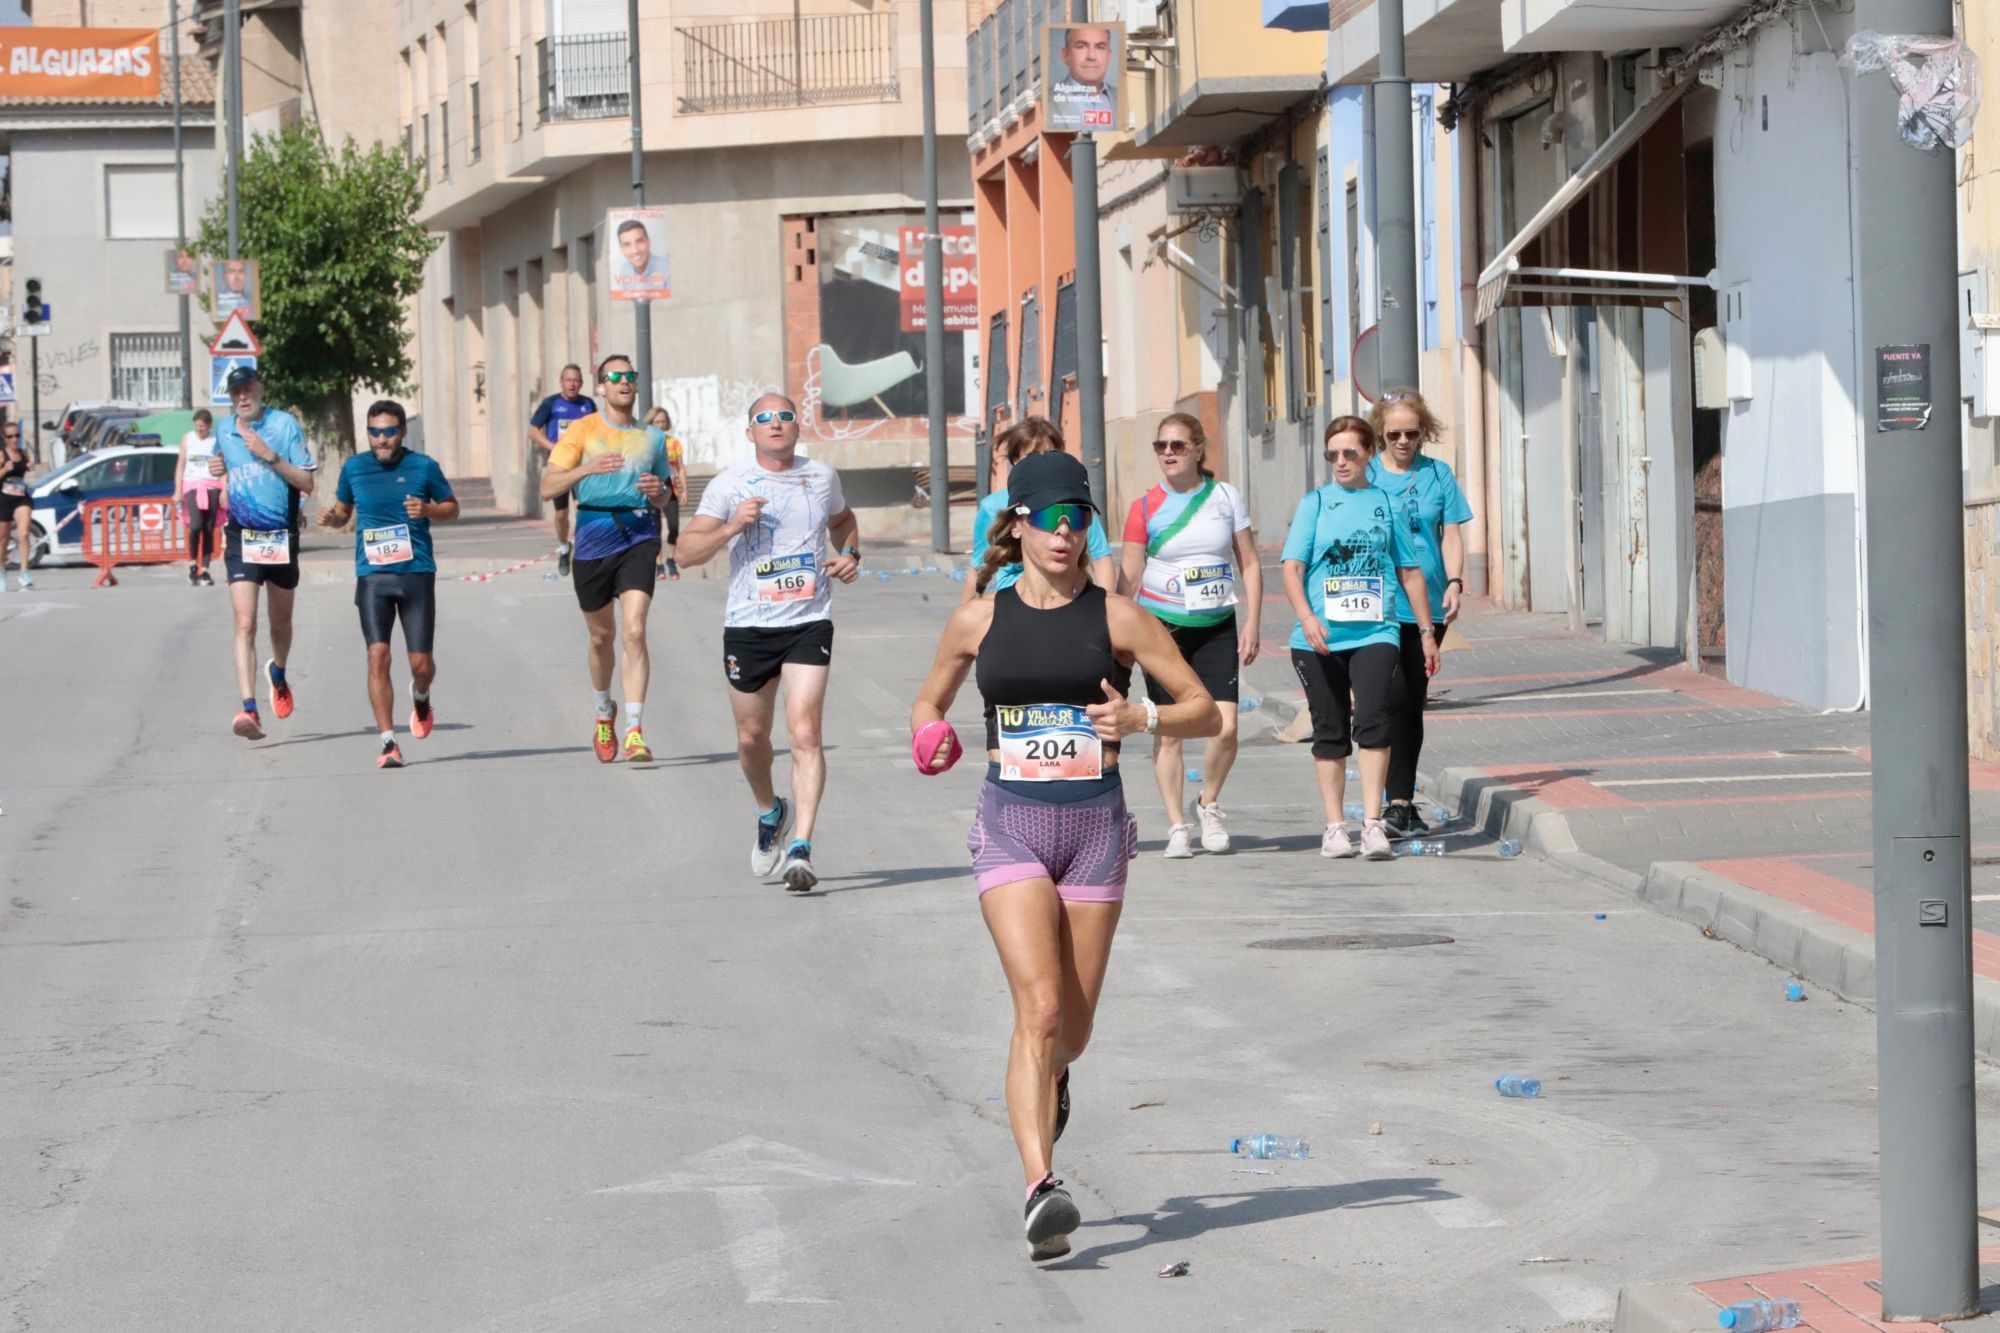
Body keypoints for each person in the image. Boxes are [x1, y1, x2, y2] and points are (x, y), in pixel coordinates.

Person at [909, 450, 1219, 1261]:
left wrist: (1144, 721)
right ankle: (1040, 1185)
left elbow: (1206, 709)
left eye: (1078, 518)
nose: (1065, 532)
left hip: (1094, 832)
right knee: (1039, 1009)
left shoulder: (1118, 616)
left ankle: (1054, 1075)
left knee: (1069, 1031)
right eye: (1049, 517)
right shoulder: (980, 617)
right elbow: (929, 695)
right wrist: (928, 733)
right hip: (1010, 822)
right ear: (1018, 524)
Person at [679, 392, 861, 893]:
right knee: (751, 738)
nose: (775, 424)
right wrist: (732, 526)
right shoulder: (729, 484)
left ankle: (801, 847)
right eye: (764, 418)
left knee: (804, 731)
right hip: (749, 626)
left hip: (809, 620)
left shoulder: (822, 477)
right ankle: (770, 811)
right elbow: (685, 552)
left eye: (784, 416)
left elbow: (843, 522)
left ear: (797, 427)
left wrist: (851, 554)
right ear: (750, 432)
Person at [1281, 416, 1437, 861]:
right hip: (1320, 635)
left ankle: (1372, 824)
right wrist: (1307, 617)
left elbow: (1409, 571)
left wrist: (1426, 632)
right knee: (1329, 730)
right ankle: (1335, 827)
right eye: (1333, 454)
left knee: (1373, 718)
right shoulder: (1315, 503)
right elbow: (1291, 568)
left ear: (1369, 452)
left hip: (1377, 631)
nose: (1341, 461)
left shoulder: (1385, 503)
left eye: (1350, 452)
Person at [1117, 412, 1261, 857]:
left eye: (1178, 445)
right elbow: (1129, 574)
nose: (1168, 454)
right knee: (1170, 730)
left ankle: (1208, 802)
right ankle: (1178, 825)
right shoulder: (1144, 507)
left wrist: (1253, 621)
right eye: (1161, 446)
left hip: (1217, 624)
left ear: (1199, 448)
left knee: (1225, 725)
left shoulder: (1224, 496)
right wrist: (1119, 632)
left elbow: (1250, 562)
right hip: (1163, 629)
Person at [540, 355, 672, 764]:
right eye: (615, 376)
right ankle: (604, 712)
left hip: (638, 534)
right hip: (594, 536)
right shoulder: (582, 431)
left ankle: (634, 730)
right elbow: (547, 487)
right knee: (602, 638)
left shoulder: (652, 437)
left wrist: (658, 492)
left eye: (631, 376)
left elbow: (667, 493)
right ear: (601, 387)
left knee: (634, 631)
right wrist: (587, 469)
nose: (625, 382)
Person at [317, 400, 458, 769]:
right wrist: (333, 519)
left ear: (402, 432)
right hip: (373, 576)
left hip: (415, 573)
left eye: (389, 431)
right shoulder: (354, 468)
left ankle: (422, 695)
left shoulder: (423, 466)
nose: (381, 439)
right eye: (374, 432)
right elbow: (344, 512)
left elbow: (452, 506)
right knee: (377, 655)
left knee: (420, 664)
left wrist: (428, 510)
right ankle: (388, 742)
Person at [1368, 388, 1474, 837]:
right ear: (1380, 433)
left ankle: (1403, 802)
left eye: (1412, 433)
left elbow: (1450, 534)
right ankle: (1392, 802)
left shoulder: (1438, 475)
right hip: (1377, 604)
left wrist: (1455, 582)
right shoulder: (1366, 475)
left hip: (1427, 605)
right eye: (1394, 433)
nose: (1404, 441)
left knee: (1411, 703)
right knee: (1390, 700)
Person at [209, 365, 316, 740]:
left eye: (248, 389)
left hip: (280, 536)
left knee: (280, 623)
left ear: (260, 390)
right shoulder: (223, 429)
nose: (242, 397)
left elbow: (307, 482)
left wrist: (268, 454)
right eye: (235, 392)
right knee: (245, 623)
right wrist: (216, 466)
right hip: (241, 537)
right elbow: (220, 464)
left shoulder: (285, 425)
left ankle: (279, 672)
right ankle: (249, 707)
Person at [960, 418, 1115, 606]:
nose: (1044, 463)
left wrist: (1107, 609)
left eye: (1050, 454)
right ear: (1015, 459)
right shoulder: (992, 506)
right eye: (1032, 456)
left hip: (1068, 599)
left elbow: (1101, 558)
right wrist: (966, 614)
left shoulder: (1077, 504)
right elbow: (977, 570)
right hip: (1014, 607)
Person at [528, 364, 597, 577]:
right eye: (568, 380)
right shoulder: (551, 404)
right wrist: (553, 446)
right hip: (559, 465)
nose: (572, 384)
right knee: (561, 513)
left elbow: (597, 430)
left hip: (582, 465)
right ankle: (564, 548)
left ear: (581, 383)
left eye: (576, 380)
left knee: (584, 508)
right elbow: (532, 431)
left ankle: (584, 548)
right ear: (561, 382)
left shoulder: (588, 404)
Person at [173, 408, 224, 586]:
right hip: (192, 484)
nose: (199, 431)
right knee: (195, 525)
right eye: (197, 427)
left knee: (208, 527)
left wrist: (224, 489)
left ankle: (205, 569)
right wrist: (178, 490)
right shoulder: (188, 438)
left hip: (211, 484)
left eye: (202, 428)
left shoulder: (216, 440)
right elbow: (180, 465)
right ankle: (193, 562)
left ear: (209, 425)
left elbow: (223, 466)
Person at [646, 406, 687, 581]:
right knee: (655, 528)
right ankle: (659, 563)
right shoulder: (646, 443)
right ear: (651, 423)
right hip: (652, 487)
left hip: (670, 487)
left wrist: (685, 489)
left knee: (674, 526)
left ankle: (671, 559)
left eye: (663, 421)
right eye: (657, 422)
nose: (660, 425)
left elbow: (680, 467)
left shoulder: (673, 442)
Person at [1049, 25, 1117, 129]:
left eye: (1100, 47)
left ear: (1109, 56)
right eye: (1081, 46)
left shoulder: (1121, 98)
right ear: (1065, 55)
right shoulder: (1047, 100)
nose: (1091, 56)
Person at [0, 421, 32, 591]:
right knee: (3, 540)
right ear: (4, 438)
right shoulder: (1, 454)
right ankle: (1, 573)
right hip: (4, 498)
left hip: (21, 497)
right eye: (10, 436)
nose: (14, 439)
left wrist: (29, 466)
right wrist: (5, 469)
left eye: (17, 435)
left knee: (24, 532)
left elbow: (27, 468)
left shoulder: (23, 452)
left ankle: (24, 572)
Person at [613, 219, 670, 291]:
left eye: (639, 241)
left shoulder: (667, 268)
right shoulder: (625, 268)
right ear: (622, 250)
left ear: (648, 242)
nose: (635, 250)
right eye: (627, 245)